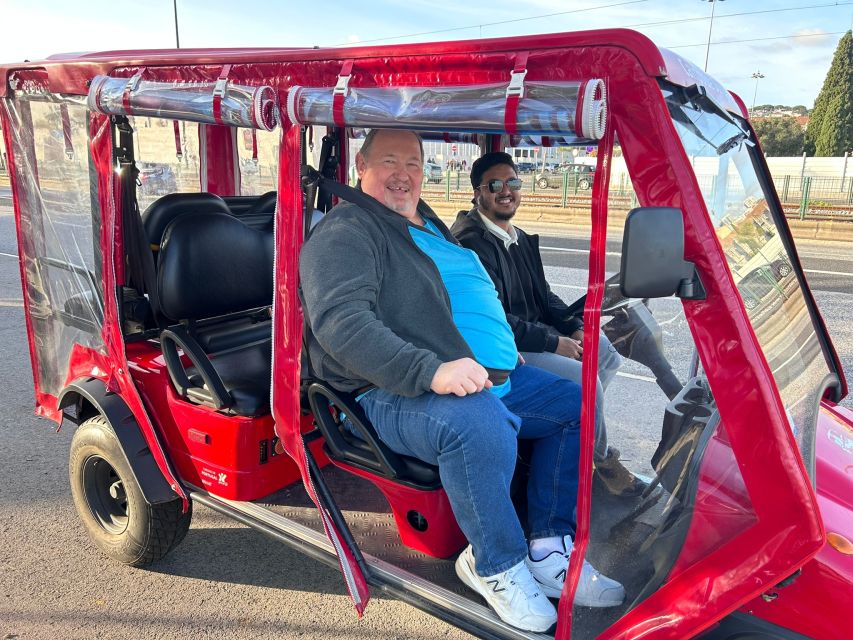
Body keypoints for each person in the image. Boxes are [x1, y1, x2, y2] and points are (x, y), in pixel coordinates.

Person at [300, 129, 624, 633]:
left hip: (465, 373)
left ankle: (547, 549)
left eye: (413, 163)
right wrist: (431, 371)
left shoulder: (424, 221)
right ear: (360, 165)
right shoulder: (347, 231)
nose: (403, 174)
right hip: (383, 390)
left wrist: (497, 345)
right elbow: (343, 325)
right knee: (479, 422)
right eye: (389, 162)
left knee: (576, 403)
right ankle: (493, 563)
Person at [451, 151, 645, 497]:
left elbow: (544, 294)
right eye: (495, 185)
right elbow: (496, 318)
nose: (506, 191)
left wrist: (573, 325)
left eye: (513, 182)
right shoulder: (470, 244)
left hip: (534, 333)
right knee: (585, 382)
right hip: (506, 347)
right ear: (477, 193)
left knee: (605, 353)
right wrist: (554, 343)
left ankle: (579, 439)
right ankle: (599, 461)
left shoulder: (517, 237)